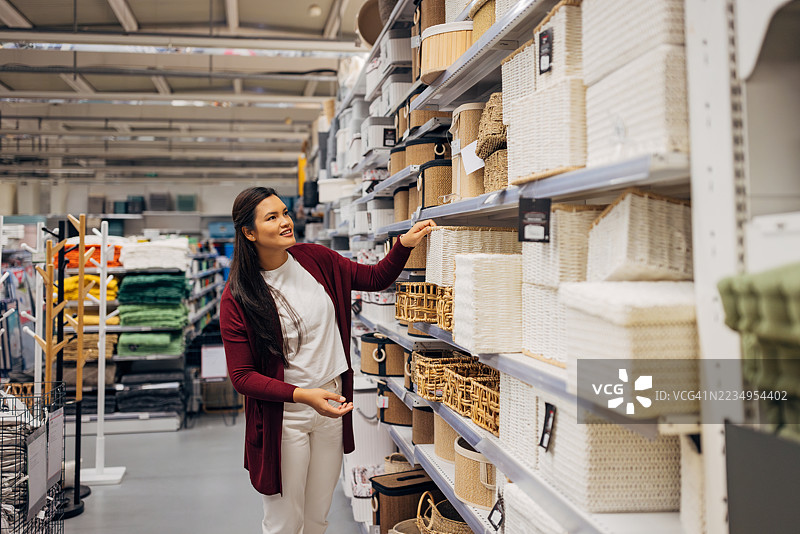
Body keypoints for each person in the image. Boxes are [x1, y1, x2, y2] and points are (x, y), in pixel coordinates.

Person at [219, 186, 435, 534]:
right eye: (271, 218)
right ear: (249, 232)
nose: (285, 222)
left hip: (332, 405)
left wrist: (404, 244)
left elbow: (375, 278)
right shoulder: (239, 296)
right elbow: (242, 376)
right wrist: (305, 396)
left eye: (285, 213)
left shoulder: (315, 259)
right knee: (286, 522)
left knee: (318, 517)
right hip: (285, 417)